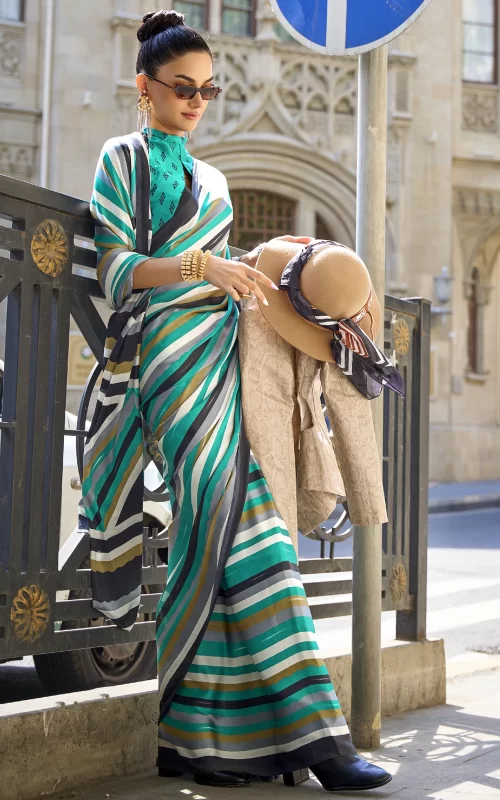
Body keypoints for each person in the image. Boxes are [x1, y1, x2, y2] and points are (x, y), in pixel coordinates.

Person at [82, 9, 393, 793]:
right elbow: (117, 271)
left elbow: (225, 275)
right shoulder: (118, 159)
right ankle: (323, 742)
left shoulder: (214, 177)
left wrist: (270, 275)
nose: (195, 101)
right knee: (254, 529)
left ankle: (204, 743)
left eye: (208, 90)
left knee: (217, 539)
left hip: (226, 367)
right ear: (144, 87)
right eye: (182, 88)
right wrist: (199, 267)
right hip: (162, 369)